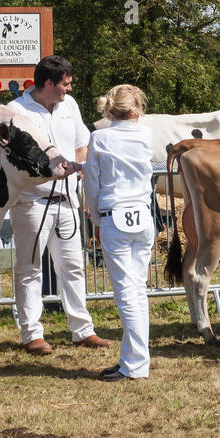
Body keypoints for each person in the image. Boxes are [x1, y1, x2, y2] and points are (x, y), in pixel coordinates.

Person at [10, 56, 110, 356]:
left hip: (67, 198)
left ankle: (82, 330)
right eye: (65, 84)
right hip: (32, 200)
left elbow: (82, 141)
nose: (69, 88)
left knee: (73, 266)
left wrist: (78, 174)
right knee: (29, 268)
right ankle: (32, 334)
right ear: (49, 83)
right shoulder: (16, 111)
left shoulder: (70, 105)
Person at [83, 84, 154, 381]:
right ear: (135, 109)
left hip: (115, 216)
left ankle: (135, 365)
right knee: (137, 292)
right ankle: (132, 359)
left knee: (127, 294)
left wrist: (96, 220)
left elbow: (92, 184)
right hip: (142, 215)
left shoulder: (99, 138)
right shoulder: (146, 135)